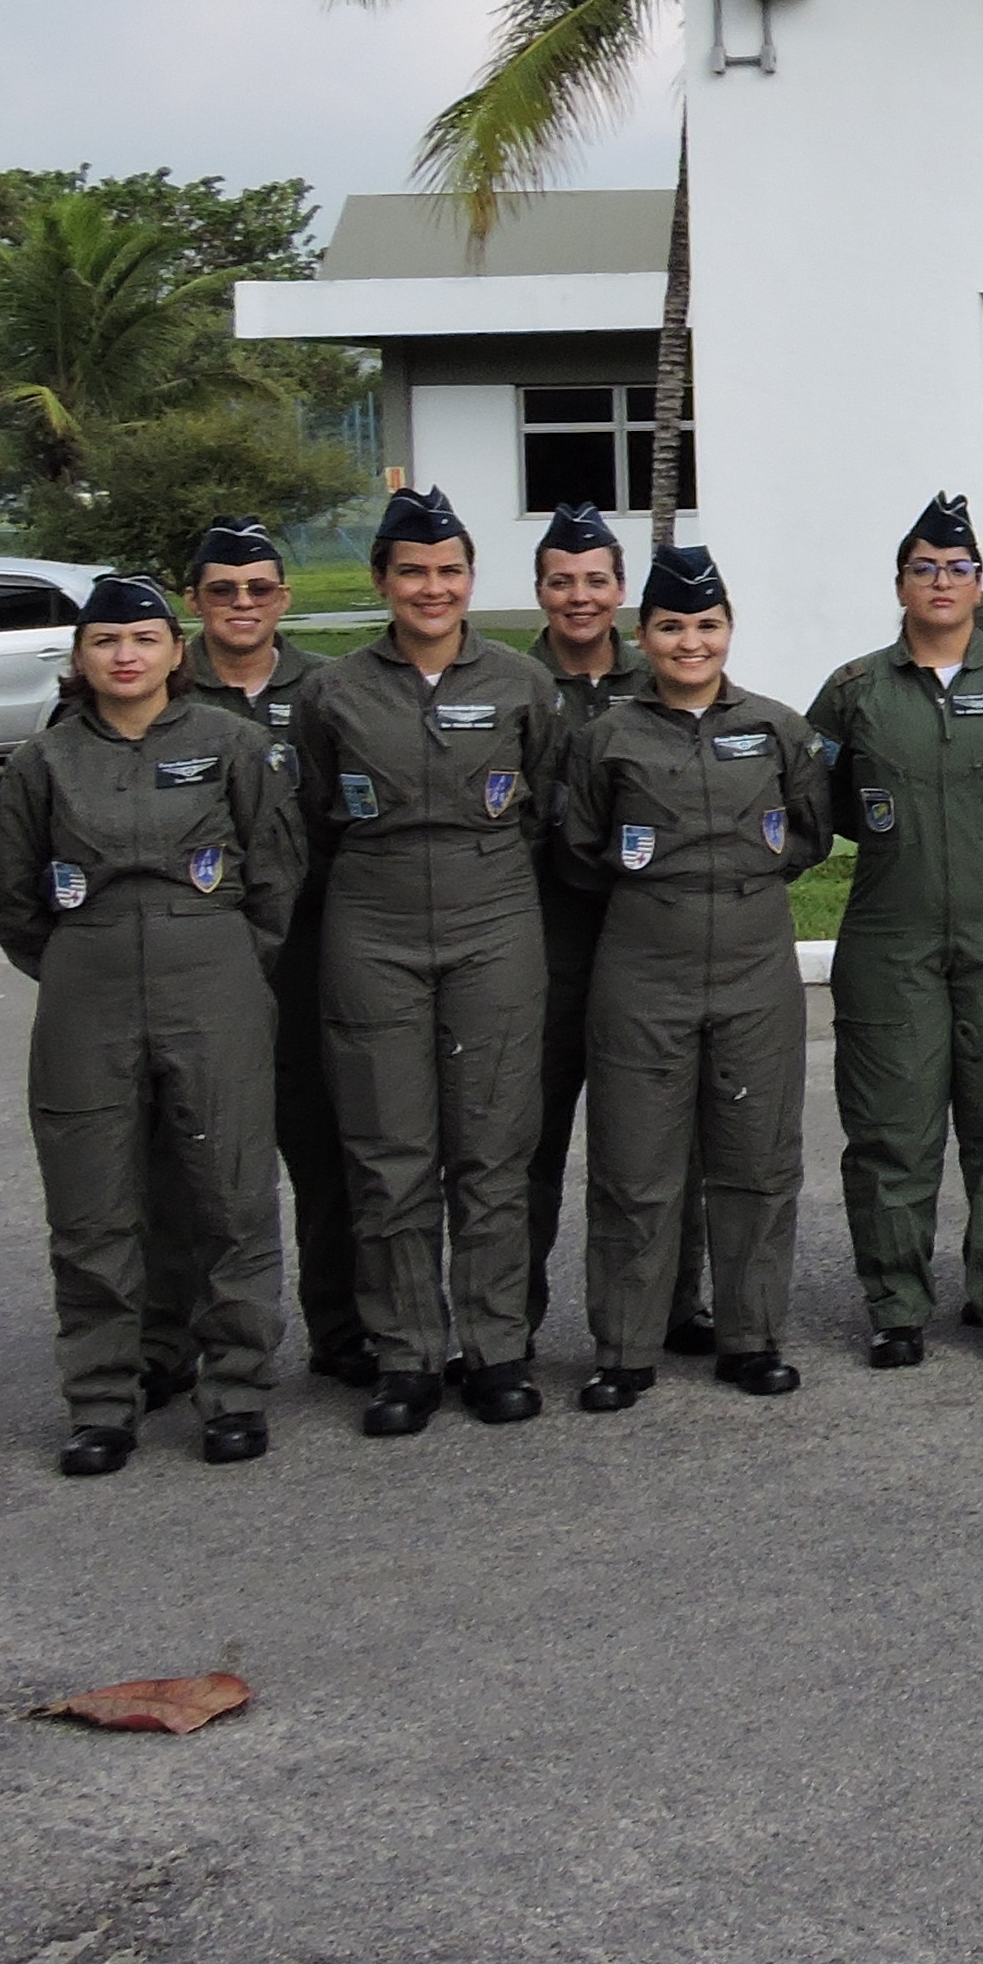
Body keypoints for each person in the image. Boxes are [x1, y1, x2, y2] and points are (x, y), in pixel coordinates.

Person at [0, 573, 301, 1472]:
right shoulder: (43, 763)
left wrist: (226, 959)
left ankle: (235, 1390)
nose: (127, 657)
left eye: (145, 640)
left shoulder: (233, 745)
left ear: (174, 651)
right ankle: (102, 1401)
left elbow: (275, 876)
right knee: (92, 1202)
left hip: (214, 979)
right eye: (107, 643)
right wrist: (82, 961)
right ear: (81, 659)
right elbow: (10, 890)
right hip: (88, 988)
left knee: (229, 1191)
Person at [292, 486, 560, 1437]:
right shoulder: (331, 692)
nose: (432, 588)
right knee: (388, 1151)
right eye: (412, 572)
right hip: (372, 926)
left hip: (495, 921)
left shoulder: (523, 685)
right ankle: (405, 1354)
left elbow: (545, 808)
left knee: (492, 1148)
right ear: (381, 581)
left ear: (471, 580)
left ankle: (494, 1349)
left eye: (449, 571)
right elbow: (318, 815)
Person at [553, 546, 828, 1406]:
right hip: (642, 967)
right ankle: (625, 1346)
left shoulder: (778, 727)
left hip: (753, 963)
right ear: (643, 636)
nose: (690, 643)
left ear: (729, 632)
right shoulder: (607, 737)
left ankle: (750, 1335)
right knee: (635, 1163)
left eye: (707, 625)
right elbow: (582, 849)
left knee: (756, 1160)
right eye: (672, 626)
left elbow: (810, 836)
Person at [812, 494, 983, 1368]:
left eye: (958, 568)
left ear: (979, 583)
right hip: (893, 933)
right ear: (899, 584)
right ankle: (894, 1304)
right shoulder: (855, 691)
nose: (941, 583)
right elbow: (824, 802)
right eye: (923, 568)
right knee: (893, 1127)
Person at [176, 517, 358, 1387]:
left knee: (326, 1143)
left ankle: (343, 1325)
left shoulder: (330, 689)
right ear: (195, 601)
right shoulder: (160, 686)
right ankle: (175, 1338)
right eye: (222, 590)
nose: (241, 604)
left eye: (257, 590)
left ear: (283, 600)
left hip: (316, 942)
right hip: (202, 952)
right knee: (196, 1150)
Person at [522, 501, 700, 1353]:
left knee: (671, 1136)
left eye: (596, 581)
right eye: (562, 582)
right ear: (540, 592)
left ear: (622, 591)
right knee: (528, 1137)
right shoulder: (511, 687)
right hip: (543, 941)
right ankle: (507, 1320)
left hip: (654, 943)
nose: (580, 597)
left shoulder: (663, 676)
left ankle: (674, 1304)